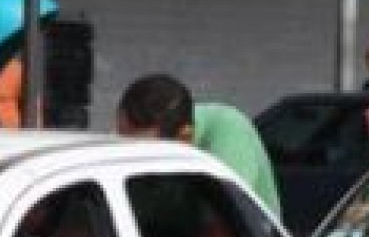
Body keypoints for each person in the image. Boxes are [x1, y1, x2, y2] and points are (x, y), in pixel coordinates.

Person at [116, 74, 281, 219]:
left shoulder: (227, 132)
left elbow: (223, 229)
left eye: (143, 150)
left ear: (184, 137)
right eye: (121, 141)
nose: (129, 155)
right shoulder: (154, 142)